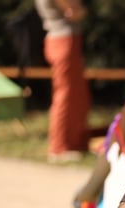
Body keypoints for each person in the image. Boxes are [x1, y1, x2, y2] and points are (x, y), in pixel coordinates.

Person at [35, 0, 91, 163]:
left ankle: (75, 143)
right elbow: (76, 12)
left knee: (77, 96)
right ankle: (58, 148)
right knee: (65, 96)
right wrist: (79, 8)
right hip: (63, 40)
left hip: (63, 39)